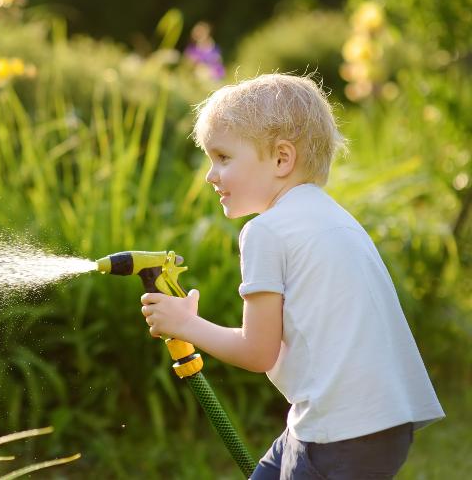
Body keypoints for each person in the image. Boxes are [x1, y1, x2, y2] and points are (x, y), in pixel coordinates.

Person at [139, 73, 444, 479]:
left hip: (338, 434)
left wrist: (186, 324)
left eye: (224, 158)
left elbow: (257, 351)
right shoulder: (334, 216)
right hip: (379, 422)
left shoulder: (267, 231)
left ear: (282, 159)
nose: (211, 175)